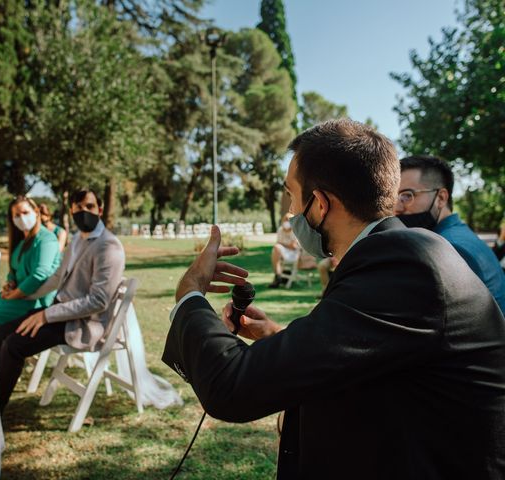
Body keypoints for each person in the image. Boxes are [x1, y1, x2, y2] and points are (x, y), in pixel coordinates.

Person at [162, 119, 505, 479]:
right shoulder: (395, 252)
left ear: (321, 204)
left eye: (293, 196)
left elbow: (232, 386)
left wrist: (190, 291)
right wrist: (278, 339)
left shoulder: (403, 266)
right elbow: (372, 354)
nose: (290, 213)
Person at [0, 188, 125, 412]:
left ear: (100, 210)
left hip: (83, 323)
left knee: (14, 345)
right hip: (60, 312)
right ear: (71, 210)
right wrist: (24, 294)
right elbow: (56, 278)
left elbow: (98, 301)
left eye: (90, 207)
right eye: (79, 207)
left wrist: (46, 315)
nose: (84, 212)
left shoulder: (108, 246)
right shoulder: (76, 239)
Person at [395, 155, 505, 313]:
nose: (397, 208)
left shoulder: (448, 248)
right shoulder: (459, 234)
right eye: (395, 197)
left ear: (440, 198)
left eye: (407, 195)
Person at [0, 196, 61, 327]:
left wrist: (14, 295)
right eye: (17, 215)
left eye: (25, 213)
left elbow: (39, 275)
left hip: (34, 301)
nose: (22, 218)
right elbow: (14, 270)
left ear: (36, 212)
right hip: (16, 298)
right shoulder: (21, 243)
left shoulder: (47, 239)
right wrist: (10, 284)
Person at [268, 216, 300, 288]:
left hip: (293, 254)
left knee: (276, 250)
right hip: (282, 252)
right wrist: (285, 245)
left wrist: (282, 244)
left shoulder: (295, 230)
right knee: (276, 249)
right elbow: (278, 243)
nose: (287, 222)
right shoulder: (280, 230)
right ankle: (278, 276)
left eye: (289, 220)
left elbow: (293, 246)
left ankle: (277, 276)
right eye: (285, 219)